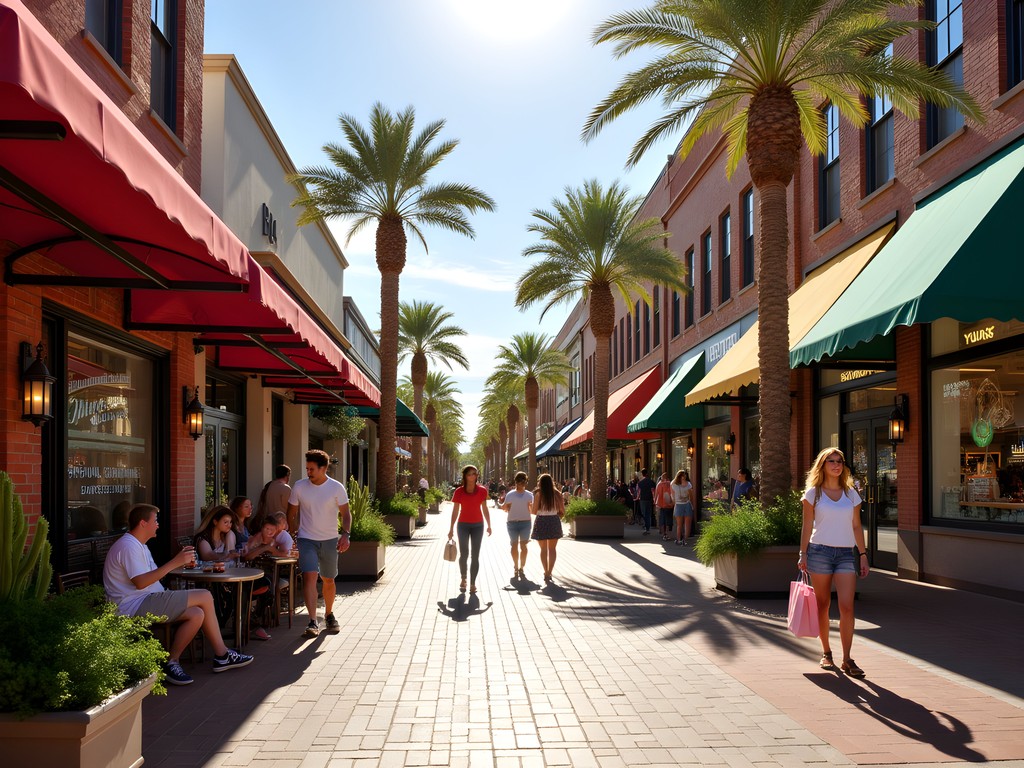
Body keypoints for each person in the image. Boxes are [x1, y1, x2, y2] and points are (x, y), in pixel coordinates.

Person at [103, 504, 253, 686]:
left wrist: (177, 565)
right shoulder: (128, 546)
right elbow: (141, 582)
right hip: (134, 606)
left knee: (197, 614)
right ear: (143, 523)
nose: (158, 525)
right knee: (205, 595)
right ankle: (222, 654)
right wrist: (174, 563)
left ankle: (171, 662)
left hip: (148, 600)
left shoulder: (139, 545)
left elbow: (148, 579)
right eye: (155, 521)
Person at [798, 448, 870, 678]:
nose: (836, 465)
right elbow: (807, 526)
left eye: (840, 461)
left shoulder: (851, 495)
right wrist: (803, 553)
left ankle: (847, 658)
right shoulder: (813, 494)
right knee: (823, 605)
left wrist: (863, 554)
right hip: (819, 552)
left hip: (846, 555)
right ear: (823, 464)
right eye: (832, 461)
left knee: (847, 606)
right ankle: (826, 652)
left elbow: (857, 526)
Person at [287, 449, 352, 638]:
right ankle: (312, 620)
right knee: (309, 576)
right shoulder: (299, 487)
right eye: (307, 468)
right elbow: (290, 513)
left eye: (312, 469)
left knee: (328, 579)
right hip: (306, 539)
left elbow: (346, 514)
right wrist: (292, 534)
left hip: (330, 540)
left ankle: (329, 614)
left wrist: (346, 535)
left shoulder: (336, 487)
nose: (308, 472)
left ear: (323, 468)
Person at [449, 465, 492, 594]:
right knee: (464, 554)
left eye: (474, 474)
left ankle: (473, 583)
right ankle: (463, 578)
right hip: (462, 525)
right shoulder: (459, 492)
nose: (472, 476)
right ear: (465, 476)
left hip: (478, 525)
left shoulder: (482, 491)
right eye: (470, 474)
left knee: (475, 555)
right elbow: (455, 510)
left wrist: (489, 525)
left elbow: (484, 508)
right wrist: (451, 528)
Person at [531, 473, 565, 582]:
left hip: (541, 520)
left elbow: (534, 511)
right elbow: (562, 511)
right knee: (552, 549)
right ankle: (550, 571)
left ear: (540, 483)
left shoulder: (538, 494)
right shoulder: (557, 494)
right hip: (553, 520)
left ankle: (545, 571)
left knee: (543, 549)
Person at [502, 471, 534, 580]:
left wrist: (531, 506)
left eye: (524, 482)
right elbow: (504, 508)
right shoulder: (510, 494)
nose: (521, 484)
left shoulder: (529, 495)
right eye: (520, 482)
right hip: (512, 523)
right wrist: (505, 505)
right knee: (514, 545)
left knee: (524, 546)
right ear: (516, 482)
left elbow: (532, 510)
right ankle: (516, 565)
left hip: (525, 523)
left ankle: (522, 567)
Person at [252, 465, 292, 534]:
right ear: (288, 475)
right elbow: (290, 509)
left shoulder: (269, 486)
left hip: (268, 523)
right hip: (282, 526)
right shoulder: (286, 488)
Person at [671, 470, 696, 545]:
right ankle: (679, 539)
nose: (684, 477)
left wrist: (692, 505)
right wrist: (674, 504)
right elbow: (673, 496)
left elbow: (691, 496)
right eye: (683, 475)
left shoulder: (688, 484)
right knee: (680, 524)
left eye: (685, 475)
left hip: (685, 504)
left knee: (686, 524)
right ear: (679, 476)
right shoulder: (674, 484)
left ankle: (684, 539)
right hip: (679, 504)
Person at [655, 472, 674, 540]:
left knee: (662, 520)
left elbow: (656, 494)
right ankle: (668, 534)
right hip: (669, 505)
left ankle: (664, 534)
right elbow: (672, 494)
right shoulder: (670, 484)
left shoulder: (659, 484)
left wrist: (655, 503)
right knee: (669, 519)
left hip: (661, 505)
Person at [637, 468, 656, 534]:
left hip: (643, 499)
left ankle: (646, 526)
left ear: (642, 474)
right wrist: (654, 499)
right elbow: (653, 491)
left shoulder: (640, 483)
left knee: (644, 513)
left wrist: (637, 498)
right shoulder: (651, 482)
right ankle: (648, 527)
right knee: (648, 513)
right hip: (649, 499)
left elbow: (639, 491)